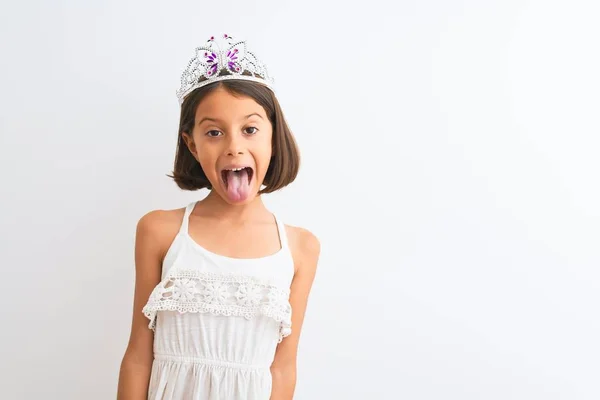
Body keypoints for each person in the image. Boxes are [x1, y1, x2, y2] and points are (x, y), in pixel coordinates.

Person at [117, 34, 321, 400]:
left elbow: (283, 367)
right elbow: (137, 357)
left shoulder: (300, 247)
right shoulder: (159, 231)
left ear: (274, 137)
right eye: (214, 132)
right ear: (192, 144)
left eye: (250, 129)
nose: (234, 146)